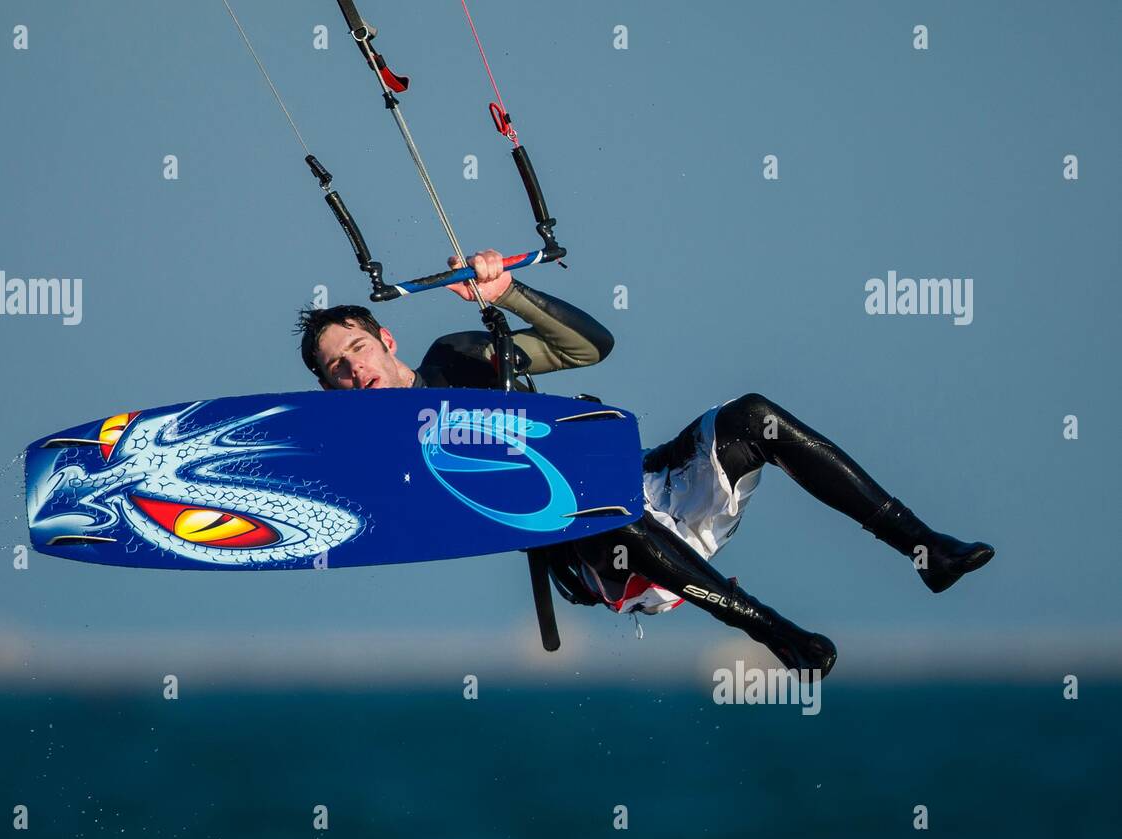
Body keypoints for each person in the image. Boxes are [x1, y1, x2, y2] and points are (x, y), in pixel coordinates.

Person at [294, 250, 994, 676]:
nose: (354, 369)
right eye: (336, 371)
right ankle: (776, 633)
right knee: (601, 506)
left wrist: (506, 295)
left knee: (751, 415)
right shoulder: (381, 455)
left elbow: (587, 347)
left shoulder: (459, 357)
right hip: (599, 553)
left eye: (357, 348)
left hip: (647, 480)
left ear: (385, 339)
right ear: (331, 392)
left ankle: (925, 549)